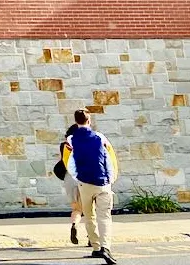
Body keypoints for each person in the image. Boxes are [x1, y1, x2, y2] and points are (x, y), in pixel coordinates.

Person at [67, 109, 120, 264]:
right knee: (105, 216)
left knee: (89, 216)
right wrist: (110, 178)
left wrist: (78, 177)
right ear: (89, 120)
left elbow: (71, 163)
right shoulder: (99, 137)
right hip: (103, 181)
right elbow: (107, 157)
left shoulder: (71, 139)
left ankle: (96, 248)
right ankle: (106, 247)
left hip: (85, 183)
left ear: (76, 122)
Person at [59, 124, 84, 245]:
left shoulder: (64, 146)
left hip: (69, 178)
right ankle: (92, 238)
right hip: (83, 177)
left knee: (76, 209)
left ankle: (75, 224)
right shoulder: (86, 143)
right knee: (91, 210)